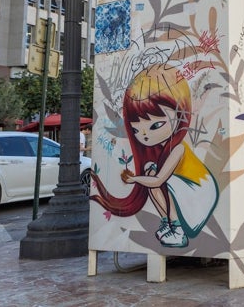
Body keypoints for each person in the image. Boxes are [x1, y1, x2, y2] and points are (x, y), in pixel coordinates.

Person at [90, 65, 219, 248]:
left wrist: (135, 178)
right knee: (150, 172)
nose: (144, 136)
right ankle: (168, 223)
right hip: (183, 189)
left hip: (199, 190)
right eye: (135, 129)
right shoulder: (159, 149)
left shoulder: (178, 149)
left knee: (154, 178)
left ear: (181, 113)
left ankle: (178, 230)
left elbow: (159, 180)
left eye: (156, 126)